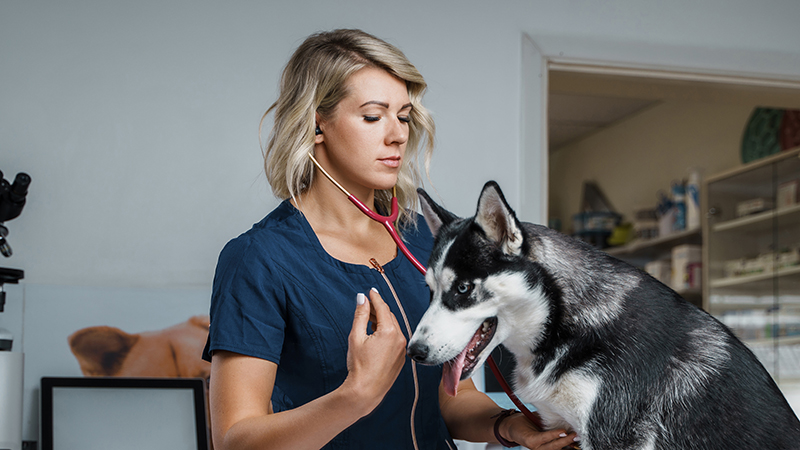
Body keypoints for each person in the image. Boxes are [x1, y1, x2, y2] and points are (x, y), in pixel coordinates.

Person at [203, 29, 578, 450]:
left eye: (402, 116)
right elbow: (235, 439)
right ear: (316, 122)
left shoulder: (426, 240)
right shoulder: (259, 259)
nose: (398, 135)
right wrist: (355, 396)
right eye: (372, 116)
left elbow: (454, 399)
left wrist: (510, 427)